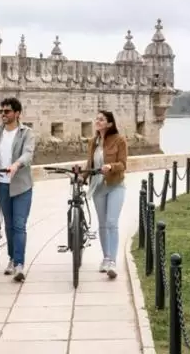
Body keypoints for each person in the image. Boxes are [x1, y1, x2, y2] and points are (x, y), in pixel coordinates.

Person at [0, 97, 36, 282]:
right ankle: (12, 259)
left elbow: (28, 153)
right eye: (1, 111)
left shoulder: (26, 133)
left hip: (21, 185)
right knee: (9, 224)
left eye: (7, 111)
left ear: (17, 113)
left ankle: (20, 264)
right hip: (1, 185)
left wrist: (16, 164)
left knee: (19, 225)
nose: (3, 115)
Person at [86, 109, 128, 279]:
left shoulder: (119, 140)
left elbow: (124, 164)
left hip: (115, 184)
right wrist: (82, 177)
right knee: (102, 224)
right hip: (98, 187)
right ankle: (106, 257)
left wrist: (111, 167)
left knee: (112, 222)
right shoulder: (93, 142)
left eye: (101, 119)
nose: (98, 122)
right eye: (97, 119)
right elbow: (89, 162)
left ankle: (112, 261)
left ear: (109, 123)